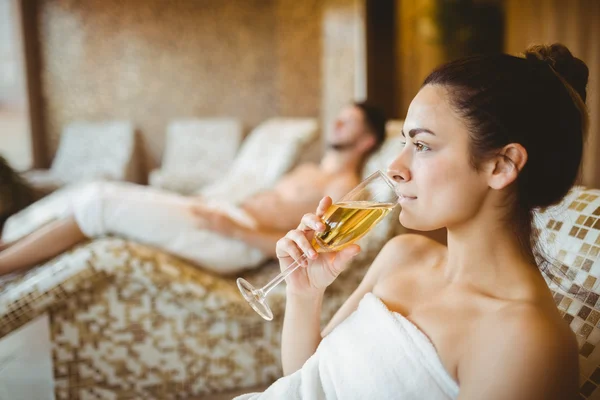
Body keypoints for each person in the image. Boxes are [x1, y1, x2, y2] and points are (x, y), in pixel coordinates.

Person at [237, 43, 586, 399]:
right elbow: (305, 383)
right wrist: (304, 292)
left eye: (422, 146)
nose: (393, 168)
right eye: (404, 141)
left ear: (501, 166)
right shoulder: (402, 255)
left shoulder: (523, 339)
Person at [0, 102, 387, 275]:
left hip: (231, 240)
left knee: (100, 203)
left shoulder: (347, 188)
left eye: (347, 122)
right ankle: (7, 245)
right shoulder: (307, 167)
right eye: (338, 118)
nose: (336, 125)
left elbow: (306, 249)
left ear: (368, 140)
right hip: (218, 212)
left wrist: (233, 229)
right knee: (92, 191)